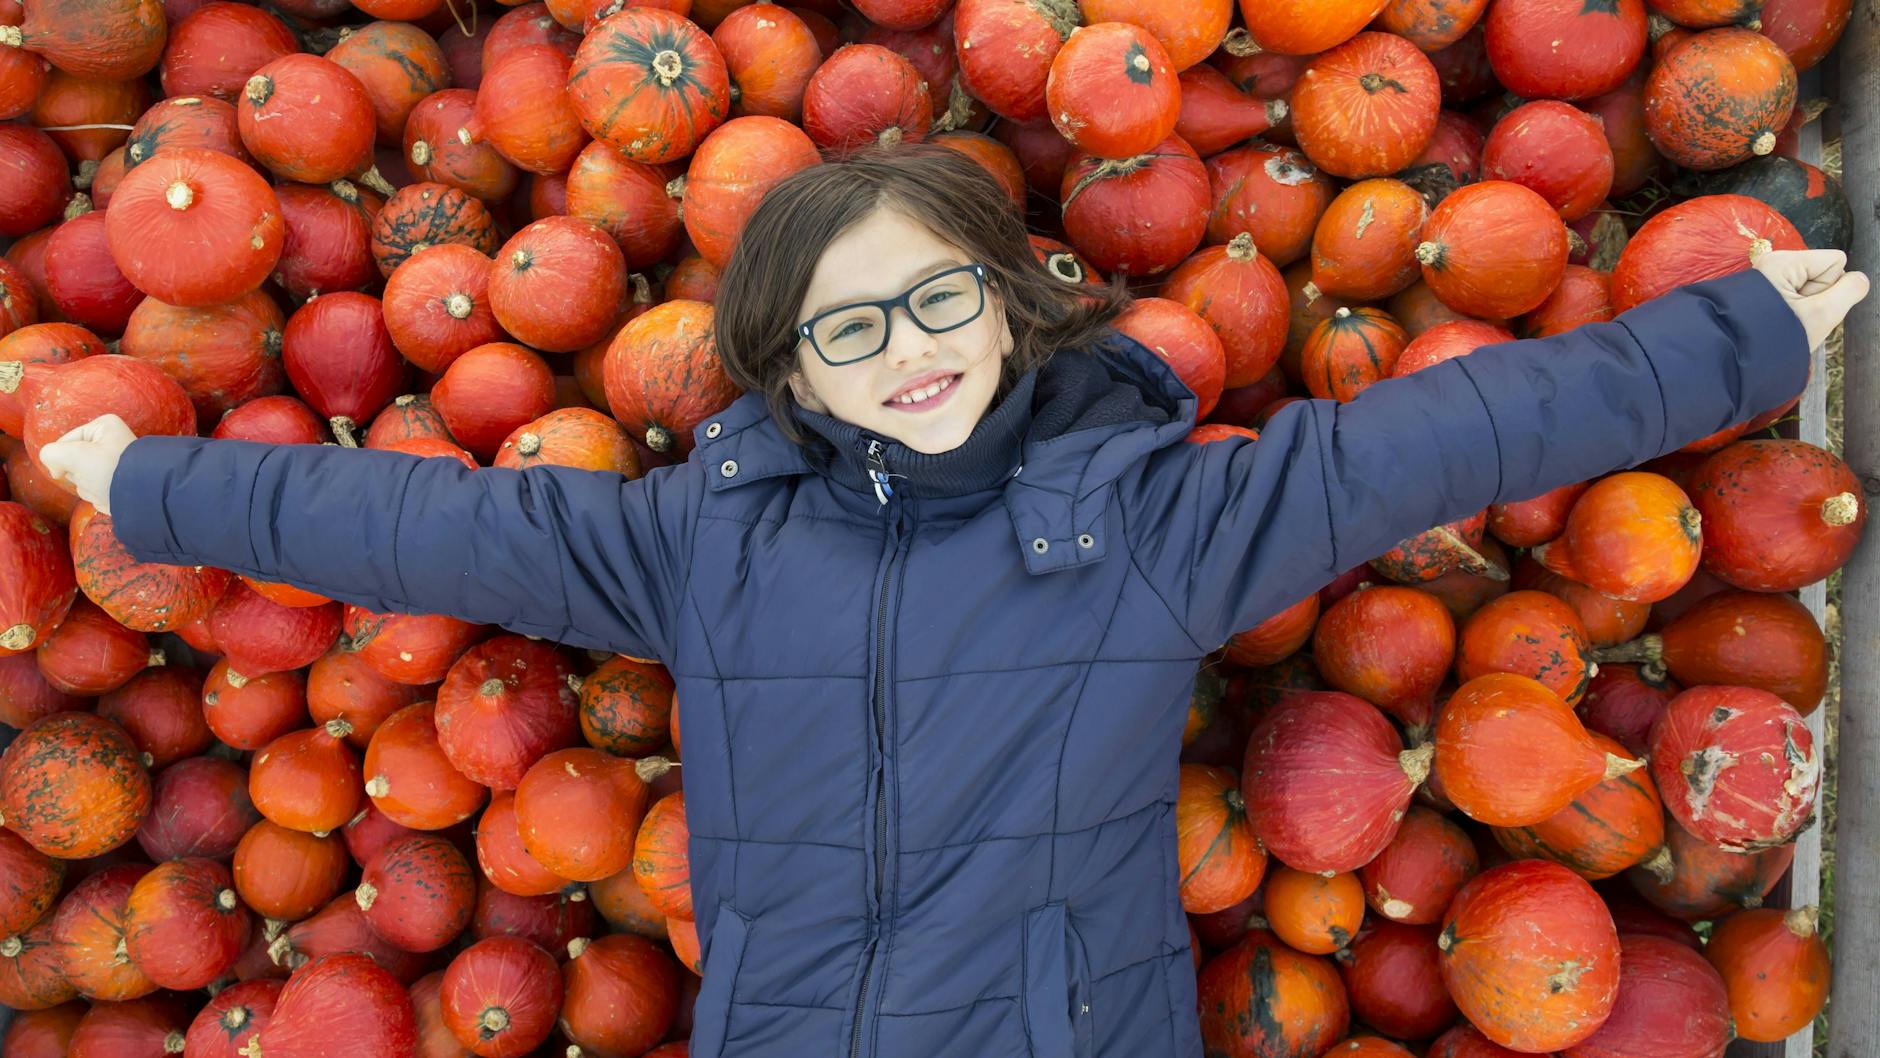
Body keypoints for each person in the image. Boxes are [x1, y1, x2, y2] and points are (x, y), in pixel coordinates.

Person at [40, 145, 1867, 1058]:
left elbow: (1441, 437)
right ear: (790, 372)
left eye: (935, 302)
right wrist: (160, 480)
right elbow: (421, 528)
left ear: (1008, 302)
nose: (904, 351)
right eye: (847, 327)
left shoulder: (1154, 515)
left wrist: (1738, 332)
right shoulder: (701, 539)